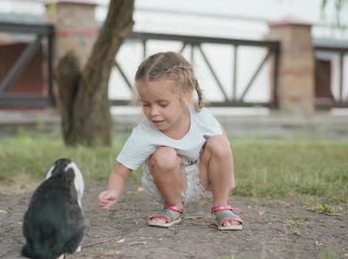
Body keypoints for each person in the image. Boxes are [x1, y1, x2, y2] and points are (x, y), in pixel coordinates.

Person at [97, 51, 243, 231]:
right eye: (146, 104)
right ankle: (173, 207)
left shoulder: (201, 117)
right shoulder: (145, 133)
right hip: (166, 181)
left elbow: (223, 145)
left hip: (201, 179)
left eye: (162, 104)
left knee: (219, 142)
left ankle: (221, 206)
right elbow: (120, 171)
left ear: (186, 97)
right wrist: (113, 191)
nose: (153, 112)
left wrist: (229, 178)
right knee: (164, 153)